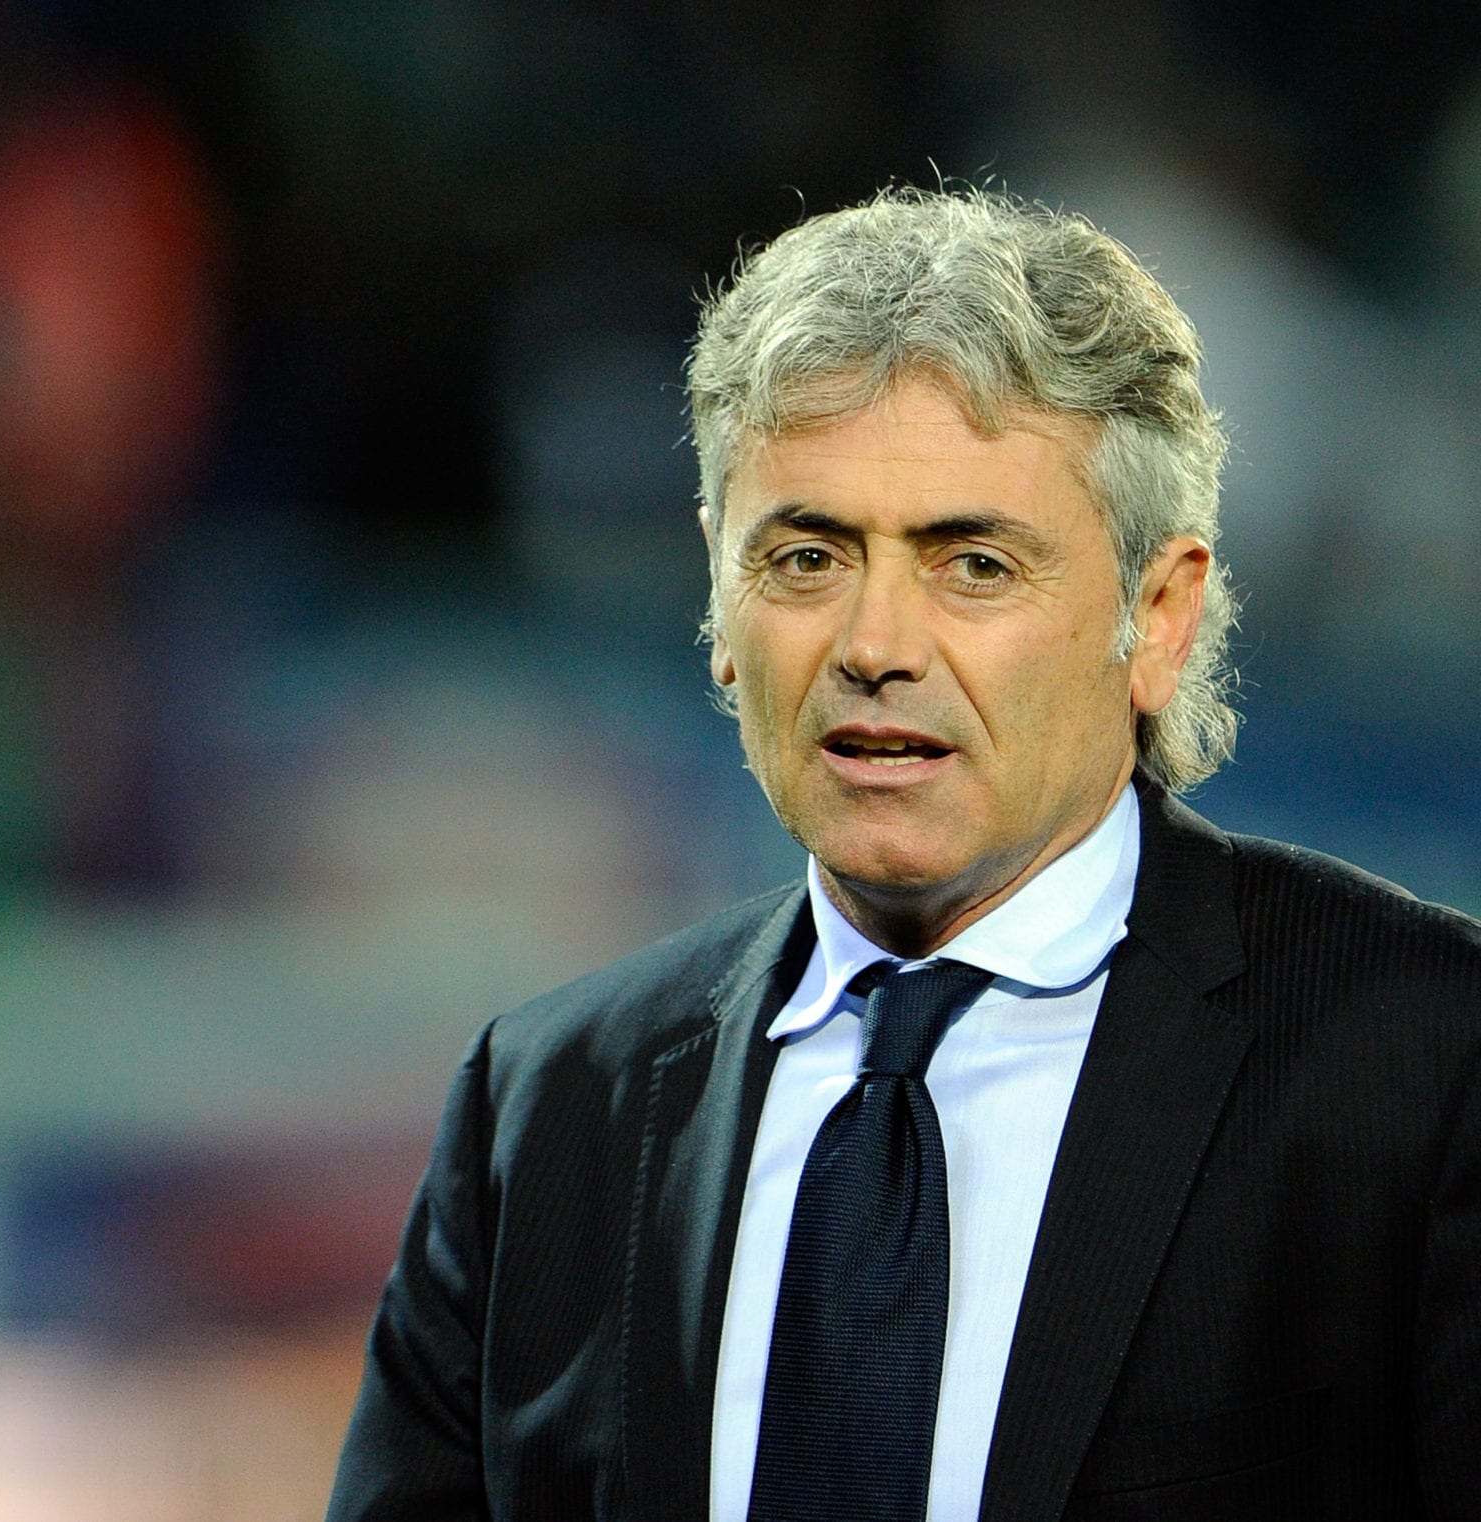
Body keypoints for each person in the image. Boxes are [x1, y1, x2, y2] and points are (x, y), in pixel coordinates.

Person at [324, 188, 1481, 1521]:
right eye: (807, 557)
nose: (875, 645)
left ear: (1159, 615)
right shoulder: (546, 1112)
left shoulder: (1420, 1069)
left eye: (973, 564)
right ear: (720, 599)